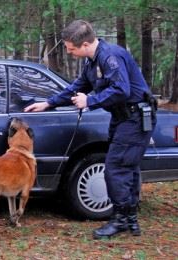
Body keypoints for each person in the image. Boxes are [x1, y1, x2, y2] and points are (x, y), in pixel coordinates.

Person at [24, 20, 157, 239]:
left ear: (85, 44)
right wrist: (49, 103)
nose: (68, 50)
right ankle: (130, 220)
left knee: (116, 168)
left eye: (70, 47)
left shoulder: (109, 57)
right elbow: (77, 87)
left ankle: (120, 220)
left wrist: (91, 101)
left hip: (134, 118)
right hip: (123, 117)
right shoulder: (92, 60)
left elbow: (121, 90)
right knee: (127, 168)